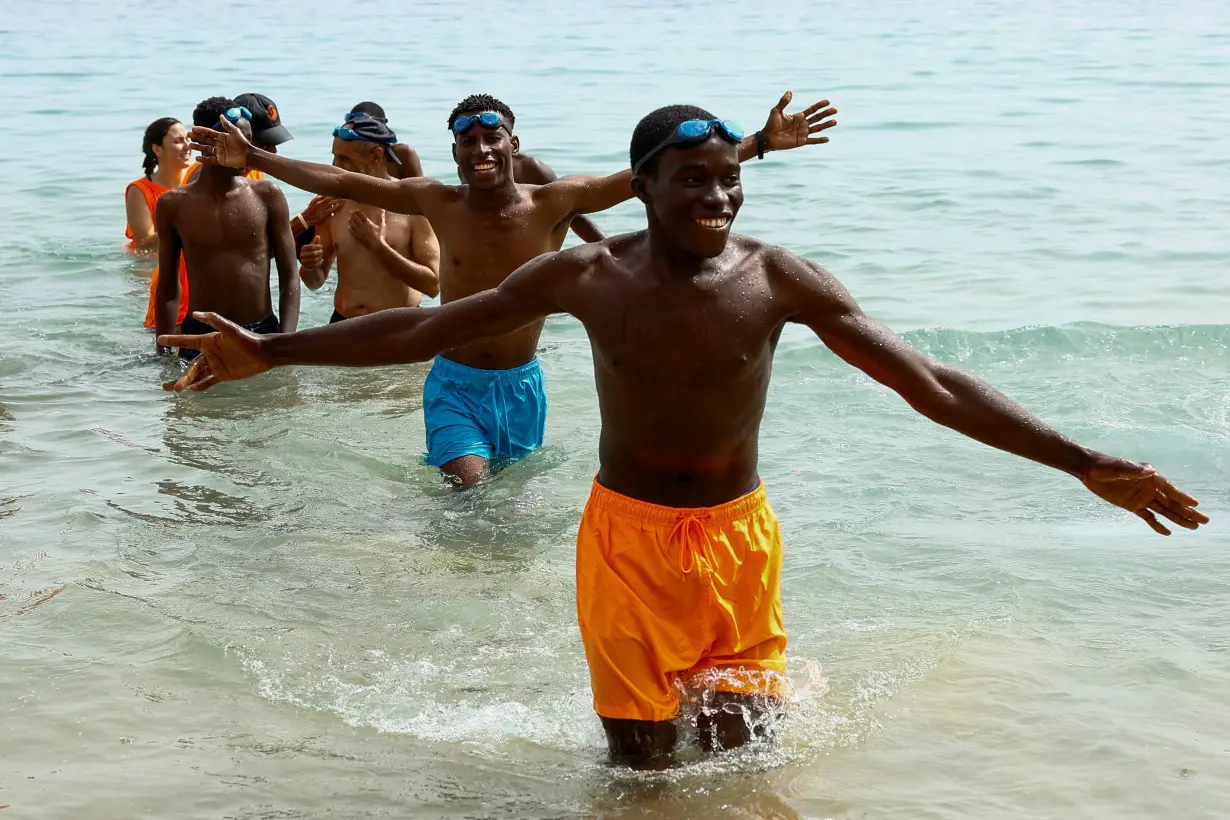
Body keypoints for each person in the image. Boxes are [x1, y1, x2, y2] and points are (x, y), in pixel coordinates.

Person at [163, 103, 1208, 770]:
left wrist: (1082, 461)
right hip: (626, 544)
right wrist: (276, 350)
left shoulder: (777, 276)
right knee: (643, 761)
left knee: (749, 752)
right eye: (692, 179)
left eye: (727, 178)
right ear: (644, 186)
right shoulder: (587, 274)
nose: (717, 195)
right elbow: (430, 327)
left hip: (737, 537)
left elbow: (924, 380)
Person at [189, 89, 837, 487]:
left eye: (490, 135)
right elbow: (340, 185)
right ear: (453, 151)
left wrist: (758, 144)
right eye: (465, 139)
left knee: (509, 504)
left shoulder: (555, 201)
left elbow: (652, 172)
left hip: (523, 386)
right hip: (454, 380)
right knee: (470, 493)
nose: (479, 148)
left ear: (512, 141)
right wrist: (255, 159)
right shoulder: (433, 199)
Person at [150, 93, 328, 330]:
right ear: (208, 141)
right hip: (199, 329)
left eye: (252, 142)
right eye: (244, 142)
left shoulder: (267, 194)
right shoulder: (174, 204)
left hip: (261, 329)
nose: (250, 151)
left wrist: (285, 342)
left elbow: (286, 275)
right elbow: (169, 288)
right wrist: (163, 349)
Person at [298, 116, 441, 322]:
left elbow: (433, 286)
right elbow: (316, 282)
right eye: (334, 156)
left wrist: (379, 248)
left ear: (376, 156)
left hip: (399, 325)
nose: (335, 165)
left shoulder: (410, 206)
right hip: (344, 324)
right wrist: (309, 267)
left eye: (345, 158)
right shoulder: (331, 204)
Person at [128, 117, 194, 329]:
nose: (187, 146)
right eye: (178, 141)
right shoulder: (140, 189)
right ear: (157, 149)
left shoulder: (196, 180)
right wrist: (182, 218)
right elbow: (145, 242)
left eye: (188, 139)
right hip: (150, 262)